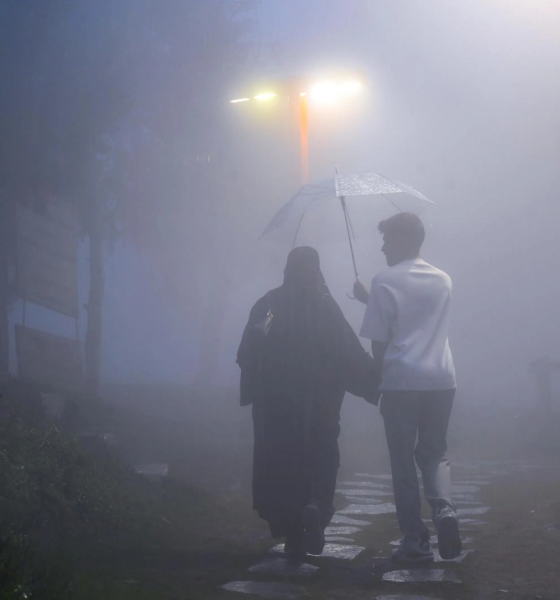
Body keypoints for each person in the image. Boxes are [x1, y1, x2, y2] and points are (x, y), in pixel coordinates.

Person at [237, 246, 379, 558]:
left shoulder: (271, 304)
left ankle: (291, 532)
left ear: (288, 269)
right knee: (322, 455)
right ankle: (315, 504)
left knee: (281, 461)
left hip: (277, 405)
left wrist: (258, 385)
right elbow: (349, 353)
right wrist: (375, 379)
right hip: (321, 404)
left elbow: (250, 349)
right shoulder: (326, 307)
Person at [353, 212, 461, 562]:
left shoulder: (383, 281)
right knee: (434, 452)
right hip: (441, 379)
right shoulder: (443, 279)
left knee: (402, 461)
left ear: (402, 240)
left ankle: (415, 540)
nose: (383, 248)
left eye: (387, 240)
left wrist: (370, 299)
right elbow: (417, 316)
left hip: (402, 383)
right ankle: (444, 510)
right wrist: (371, 298)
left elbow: (381, 342)